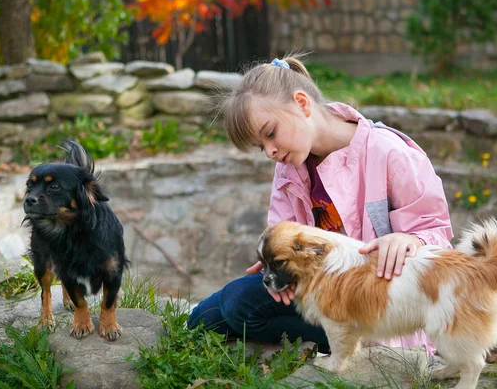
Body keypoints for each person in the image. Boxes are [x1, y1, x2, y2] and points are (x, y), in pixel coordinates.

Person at [187, 56, 453, 356]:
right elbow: (282, 230)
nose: (270, 151)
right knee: (201, 321)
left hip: (375, 308)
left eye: (270, 132)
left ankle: (352, 344)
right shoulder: (288, 170)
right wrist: (277, 261)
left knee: (239, 305)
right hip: (313, 292)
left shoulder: (390, 153)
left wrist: (411, 239)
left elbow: (437, 235)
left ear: (302, 103)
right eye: (261, 146)